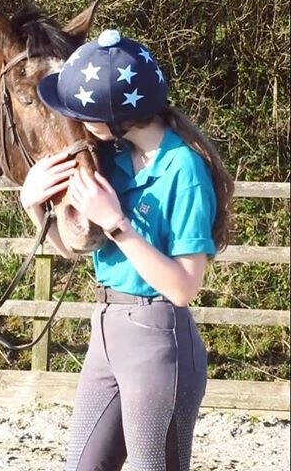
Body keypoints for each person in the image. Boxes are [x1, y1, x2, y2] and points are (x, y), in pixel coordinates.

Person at [20, 29, 234, 471]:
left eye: (81, 113)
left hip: (159, 338)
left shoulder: (184, 171)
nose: (76, 122)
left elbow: (184, 286)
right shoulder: (113, 160)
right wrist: (33, 205)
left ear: (115, 117)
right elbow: (72, 250)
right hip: (106, 329)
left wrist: (116, 222)